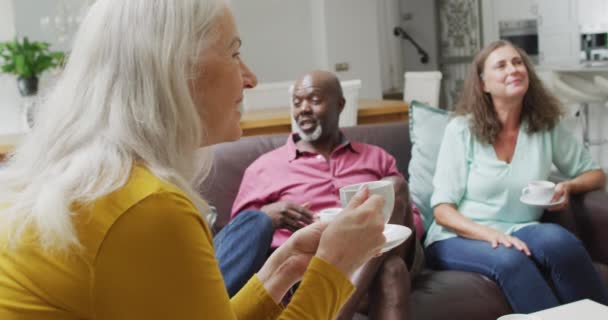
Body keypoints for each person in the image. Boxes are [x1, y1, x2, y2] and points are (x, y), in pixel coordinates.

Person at [0, 1, 390, 319]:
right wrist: (336, 266)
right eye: (234, 53)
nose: (250, 78)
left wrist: (283, 268)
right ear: (174, 68)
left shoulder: (98, 182)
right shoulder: (147, 209)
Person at [424, 40, 608, 314]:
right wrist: (489, 235)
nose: (513, 69)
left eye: (517, 62)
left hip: (519, 227)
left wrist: (568, 186)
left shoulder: (545, 127)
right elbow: (442, 211)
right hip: (456, 236)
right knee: (511, 261)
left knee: (561, 242)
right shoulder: (461, 130)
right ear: (484, 84)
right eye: (501, 65)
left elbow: (596, 174)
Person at [214, 70, 413, 319]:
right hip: (309, 268)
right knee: (394, 271)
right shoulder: (266, 166)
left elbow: (410, 219)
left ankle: (338, 311)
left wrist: (369, 230)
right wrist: (269, 213)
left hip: (373, 254)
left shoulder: (376, 157)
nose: (304, 109)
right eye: (297, 102)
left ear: (340, 105)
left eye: (314, 100)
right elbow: (241, 235)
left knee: (395, 188)